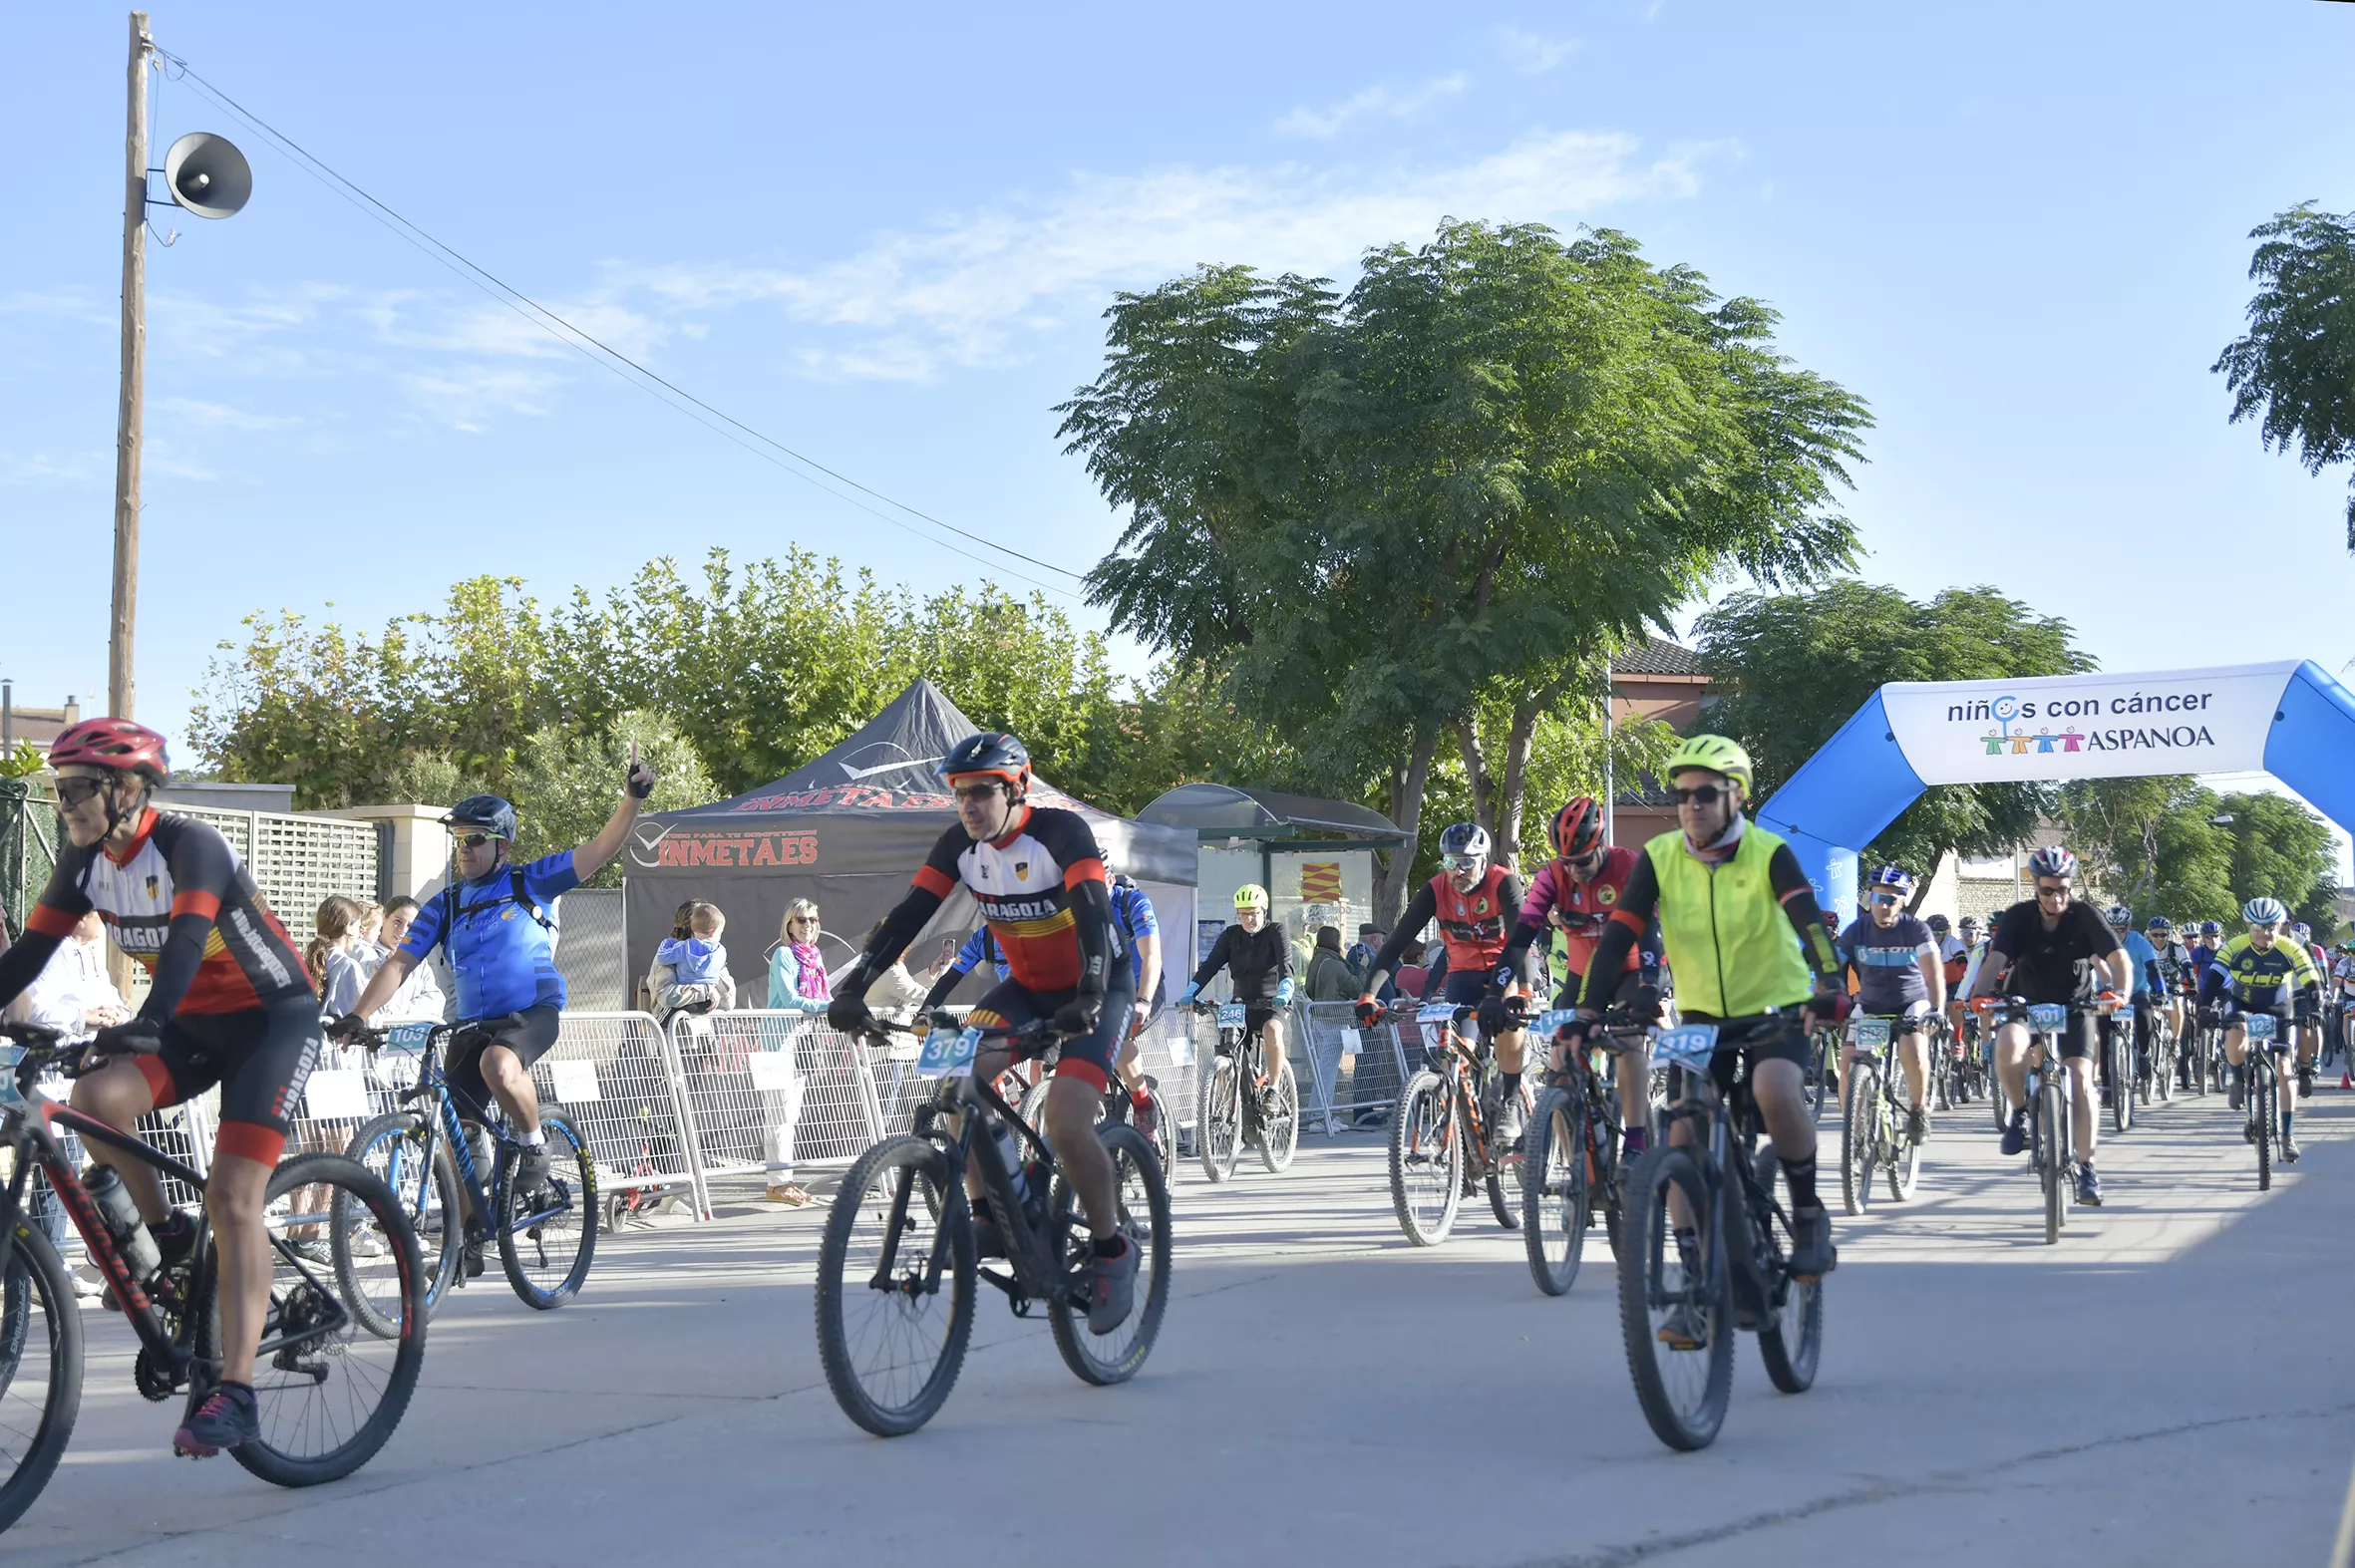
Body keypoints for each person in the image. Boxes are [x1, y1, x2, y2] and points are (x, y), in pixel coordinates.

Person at [0, 718, 321, 1456]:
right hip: (192, 1023)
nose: (66, 804)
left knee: (235, 1194)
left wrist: (147, 1020)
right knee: (95, 1101)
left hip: (272, 1019)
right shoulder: (86, 861)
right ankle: (171, 1236)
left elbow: (185, 940)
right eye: (59, 790)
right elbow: (25, 958)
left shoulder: (189, 843)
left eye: (78, 788)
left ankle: (236, 1390)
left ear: (126, 788)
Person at [827, 732, 1142, 1333]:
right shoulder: (958, 847)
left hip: (1096, 986)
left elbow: (1098, 918)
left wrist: (1093, 997)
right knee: (955, 1076)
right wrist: (853, 989)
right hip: (1023, 991)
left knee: (1068, 1120)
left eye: (980, 794)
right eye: (960, 795)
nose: (968, 807)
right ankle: (989, 1213)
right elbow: (906, 920)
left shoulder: (1061, 835)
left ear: (1016, 787)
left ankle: (1112, 1252)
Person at [1555, 735, 1846, 1288]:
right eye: (1682, 794)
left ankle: (1808, 1218)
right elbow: (1618, 937)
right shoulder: (1661, 857)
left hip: (1774, 1005)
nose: (1692, 804)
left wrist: (1830, 981)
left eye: (1706, 793)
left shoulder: (1768, 853)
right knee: (1682, 1131)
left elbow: (1810, 922)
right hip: (1701, 1018)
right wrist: (1587, 1011)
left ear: (1736, 797)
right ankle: (1692, 1268)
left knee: (1775, 1090)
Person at [335, 753, 655, 1221]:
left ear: (503, 845)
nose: (464, 848)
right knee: (455, 1131)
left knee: (499, 1065)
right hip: (473, 1022)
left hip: (532, 1012)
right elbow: (399, 963)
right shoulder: (444, 904)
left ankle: (533, 1142)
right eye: (458, 839)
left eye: (476, 838)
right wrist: (357, 1015)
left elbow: (602, 846)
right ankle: (467, 1234)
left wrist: (632, 798)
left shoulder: (531, 881)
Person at [1966, 845, 2131, 1206]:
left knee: (2082, 1082)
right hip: (2028, 1003)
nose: (2056, 897)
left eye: (2063, 889)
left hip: (2077, 1006)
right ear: (2035, 888)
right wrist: (1979, 995)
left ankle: (2087, 1168)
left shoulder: (2085, 914)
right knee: (2008, 1042)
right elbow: (1996, 958)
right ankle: (2020, 1112)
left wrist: (2120, 993)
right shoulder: (2017, 917)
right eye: (2047, 890)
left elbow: (2118, 957)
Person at [1499, 795, 1662, 1156]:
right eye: (1567, 862)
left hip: (1630, 971)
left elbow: (1650, 930)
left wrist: (1651, 983)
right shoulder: (1552, 876)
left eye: (1584, 861)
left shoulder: (1629, 866)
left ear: (1601, 845)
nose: (1574, 870)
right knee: (1559, 1066)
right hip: (1582, 975)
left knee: (1628, 1040)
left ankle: (1635, 1141)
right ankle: (1578, 1171)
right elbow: (1521, 936)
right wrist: (1495, 990)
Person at [1355, 823, 1535, 1150]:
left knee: (1509, 1021)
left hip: (1503, 969)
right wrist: (1368, 994)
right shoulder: (1437, 889)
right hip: (1462, 976)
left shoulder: (1503, 882)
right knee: (1454, 1056)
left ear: (1483, 860)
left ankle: (1509, 1101)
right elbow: (1396, 943)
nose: (1458, 871)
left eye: (1467, 862)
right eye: (1451, 862)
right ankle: (1455, 1130)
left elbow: (1521, 938)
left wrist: (1523, 989)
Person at [2198, 896, 2322, 1160]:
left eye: (2271, 927)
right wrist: (2204, 1008)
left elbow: (2311, 980)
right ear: (2247, 926)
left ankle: (2287, 1135)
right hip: (2242, 1002)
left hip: (2279, 1006)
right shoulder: (2234, 946)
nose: (2264, 934)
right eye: (2257, 928)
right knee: (2233, 1032)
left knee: (2284, 1069)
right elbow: (2213, 980)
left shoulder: (2290, 947)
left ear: (2281, 925)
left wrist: (2315, 1008)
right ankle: (2238, 1080)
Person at [1837, 866, 1942, 1142]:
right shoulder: (1857, 929)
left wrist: (1937, 1009)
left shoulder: (1916, 929)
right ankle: (1855, 1131)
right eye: (1876, 898)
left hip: (1911, 1003)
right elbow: (1830, 966)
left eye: (1890, 900)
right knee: (1848, 1062)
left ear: (1903, 900)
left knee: (1913, 1050)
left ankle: (1918, 1112)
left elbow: (1934, 973)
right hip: (1871, 1004)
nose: (1882, 906)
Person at [1180, 885, 1296, 1118]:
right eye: (1243, 914)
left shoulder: (1275, 931)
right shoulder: (1231, 936)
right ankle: (1229, 1109)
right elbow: (1210, 966)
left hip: (1271, 1002)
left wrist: (1285, 990)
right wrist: (1191, 991)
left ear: (1264, 911)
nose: (1249, 918)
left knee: (1273, 1029)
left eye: (1253, 913)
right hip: (1240, 1005)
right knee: (1225, 1051)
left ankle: (1272, 1089)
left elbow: (1286, 965)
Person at [760, 899, 829, 1205]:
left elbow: (821, 996)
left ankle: (782, 1180)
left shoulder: (814, 956)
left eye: (812, 919)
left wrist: (828, 1004)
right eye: (801, 920)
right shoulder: (783, 954)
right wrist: (830, 1006)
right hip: (778, 1041)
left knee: (791, 1115)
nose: (808, 925)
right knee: (779, 1116)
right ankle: (777, 1183)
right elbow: (789, 998)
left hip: (802, 1038)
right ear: (789, 924)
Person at [1107, 872, 1166, 1144]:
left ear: (1108, 880)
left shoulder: (1133, 904)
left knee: (1117, 1037)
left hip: (1143, 987)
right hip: (1104, 989)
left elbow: (1151, 955)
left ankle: (1143, 1105)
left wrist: (1143, 1000)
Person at [2104, 905, 2164, 1102]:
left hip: (2137, 991)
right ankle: (2106, 1086)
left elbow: (2153, 968)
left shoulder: (2140, 942)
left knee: (2145, 1018)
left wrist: (2161, 991)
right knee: (2102, 1033)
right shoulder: (2099, 942)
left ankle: (2144, 1055)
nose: (2117, 934)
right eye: (2112, 930)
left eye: (2121, 929)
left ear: (2128, 927)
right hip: (2108, 993)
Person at [375, 897, 448, 1023]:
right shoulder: (364, 954)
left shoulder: (418, 962)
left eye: (410, 925)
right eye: (397, 921)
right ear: (384, 918)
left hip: (409, 1038)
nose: (403, 930)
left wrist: (399, 1010)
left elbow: (436, 1000)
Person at [306, 894, 376, 1023]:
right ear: (348, 928)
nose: (360, 934)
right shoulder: (348, 966)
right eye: (359, 927)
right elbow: (363, 1016)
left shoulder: (311, 960)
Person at [658, 902, 730, 990]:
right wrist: (708, 991)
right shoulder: (720, 951)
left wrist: (668, 942)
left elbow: (662, 957)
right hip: (712, 997)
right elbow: (729, 997)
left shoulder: (683, 947)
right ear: (713, 931)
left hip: (685, 994)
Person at [1305, 924, 1359, 1001]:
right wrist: (1364, 969)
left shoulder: (1317, 959)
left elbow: (1309, 988)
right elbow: (1356, 989)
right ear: (1335, 941)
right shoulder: (1334, 964)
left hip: (1318, 1009)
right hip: (1336, 1010)